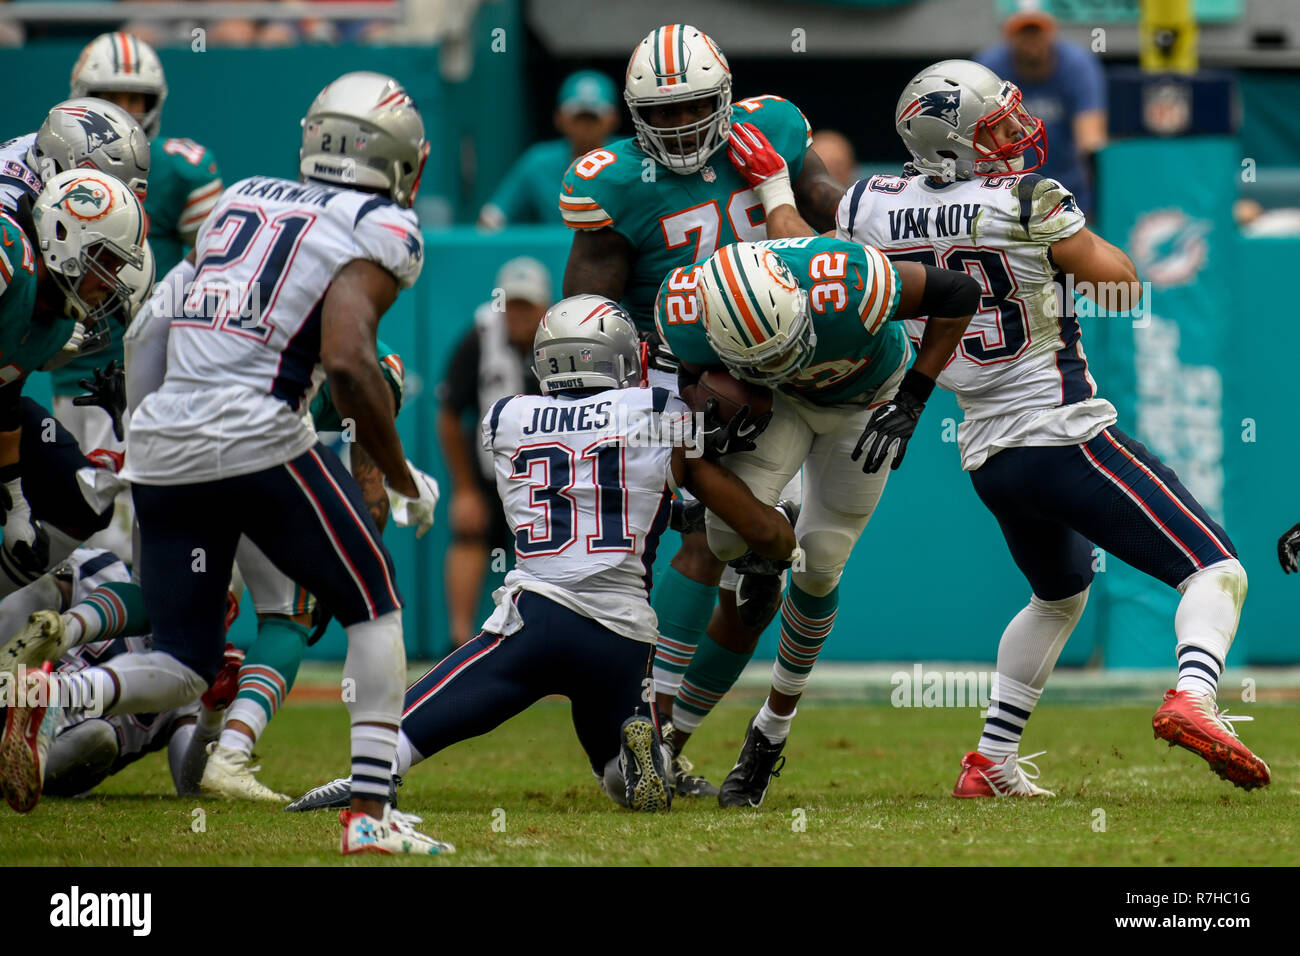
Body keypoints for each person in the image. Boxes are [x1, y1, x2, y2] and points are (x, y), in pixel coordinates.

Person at [0, 72, 449, 857]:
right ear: (402, 161)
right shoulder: (384, 226)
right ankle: (371, 817)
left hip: (169, 437)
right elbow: (347, 362)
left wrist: (145, 433)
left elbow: (147, 330)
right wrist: (401, 472)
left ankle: (52, 691)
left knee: (183, 660)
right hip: (257, 430)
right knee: (375, 605)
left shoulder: (244, 194)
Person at [839, 58, 1267, 796]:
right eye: (995, 125)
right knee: (1216, 568)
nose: (1015, 133)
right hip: (1062, 432)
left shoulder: (866, 205)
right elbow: (1122, 283)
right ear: (953, 139)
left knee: (1059, 593)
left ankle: (989, 761)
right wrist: (1057, 236)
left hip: (988, 457)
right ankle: (1194, 695)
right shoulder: (1028, 198)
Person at [286, 295, 799, 814]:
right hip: (625, 636)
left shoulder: (506, 416)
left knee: (445, 705)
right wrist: (783, 529)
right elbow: (757, 528)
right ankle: (637, 762)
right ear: (620, 357)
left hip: (541, 616)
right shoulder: (661, 414)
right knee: (618, 776)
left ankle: (374, 773)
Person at [559, 24, 846, 795]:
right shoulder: (614, 181)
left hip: (776, 376)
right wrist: (634, 407)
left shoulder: (770, 132)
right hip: (676, 380)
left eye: (694, 108)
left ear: (722, 99)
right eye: (665, 112)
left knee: (761, 585)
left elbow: (835, 225)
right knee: (707, 548)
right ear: (634, 113)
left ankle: (668, 737)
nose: (682, 126)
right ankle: (644, 735)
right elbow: (586, 316)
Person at [655, 233, 977, 806]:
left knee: (822, 562)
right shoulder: (684, 308)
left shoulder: (849, 283)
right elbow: (682, 383)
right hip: (778, 405)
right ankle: (767, 548)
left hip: (867, 402)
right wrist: (698, 400)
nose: (785, 360)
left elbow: (959, 291)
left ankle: (770, 731)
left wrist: (913, 399)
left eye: (784, 346)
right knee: (728, 536)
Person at [51, 31, 225, 558]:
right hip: (81, 370)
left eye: (135, 99)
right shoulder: (53, 161)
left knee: (165, 528)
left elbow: (216, 272)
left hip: (161, 373)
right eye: (111, 97)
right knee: (92, 532)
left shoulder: (177, 168)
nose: (125, 111)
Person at [437, 256, 549, 648]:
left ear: (544, 308)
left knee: (551, 553)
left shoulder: (561, 343)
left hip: (546, 477)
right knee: (469, 535)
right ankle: (458, 641)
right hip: (491, 473)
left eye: (527, 305)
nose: (518, 314)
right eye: (512, 304)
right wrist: (464, 489)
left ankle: (544, 645)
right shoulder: (479, 338)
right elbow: (450, 414)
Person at [976, 6, 1106, 216]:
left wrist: (1098, 200)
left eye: (1036, 31)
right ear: (1009, 35)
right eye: (1023, 32)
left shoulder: (1077, 65)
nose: (1031, 39)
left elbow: (1090, 139)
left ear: (1051, 32)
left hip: (1068, 189)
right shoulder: (989, 67)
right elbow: (979, 139)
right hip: (1007, 190)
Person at [478, 70, 621, 229]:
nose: (585, 127)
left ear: (613, 119)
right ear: (559, 119)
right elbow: (491, 218)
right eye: (579, 118)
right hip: (557, 253)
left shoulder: (629, 160)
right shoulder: (539, 162)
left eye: (593, 119)